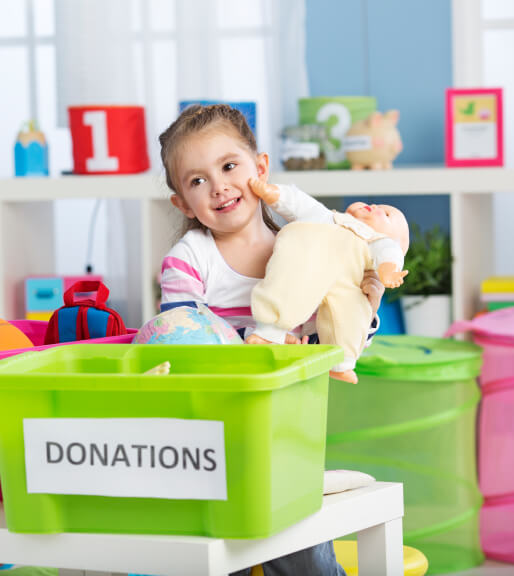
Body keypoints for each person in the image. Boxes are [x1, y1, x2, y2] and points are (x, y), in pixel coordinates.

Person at [158, 103, 384, 576]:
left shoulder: (305, 246)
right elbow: (180, 341)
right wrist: (251, 351)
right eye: (197, 181)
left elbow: (337, 331)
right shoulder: (190, 258)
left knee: (296, 536)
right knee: (224, 547)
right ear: (181, 202)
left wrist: (367, 298)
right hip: (212, 431)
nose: (218, 186)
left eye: (229, 166)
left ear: (260, 169)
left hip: (286, 432)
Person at [245, 178, 409, 384]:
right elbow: (300, 203)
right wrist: (275, 194)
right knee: (287, 290)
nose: (376, 206)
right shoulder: (329, 218)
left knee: (351, 312)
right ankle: (269, 332)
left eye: (386, 214)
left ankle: (343, 363)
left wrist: (388, 271)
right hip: (307, 262)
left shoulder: (375, 241)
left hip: (346, 282)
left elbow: (389, 252)